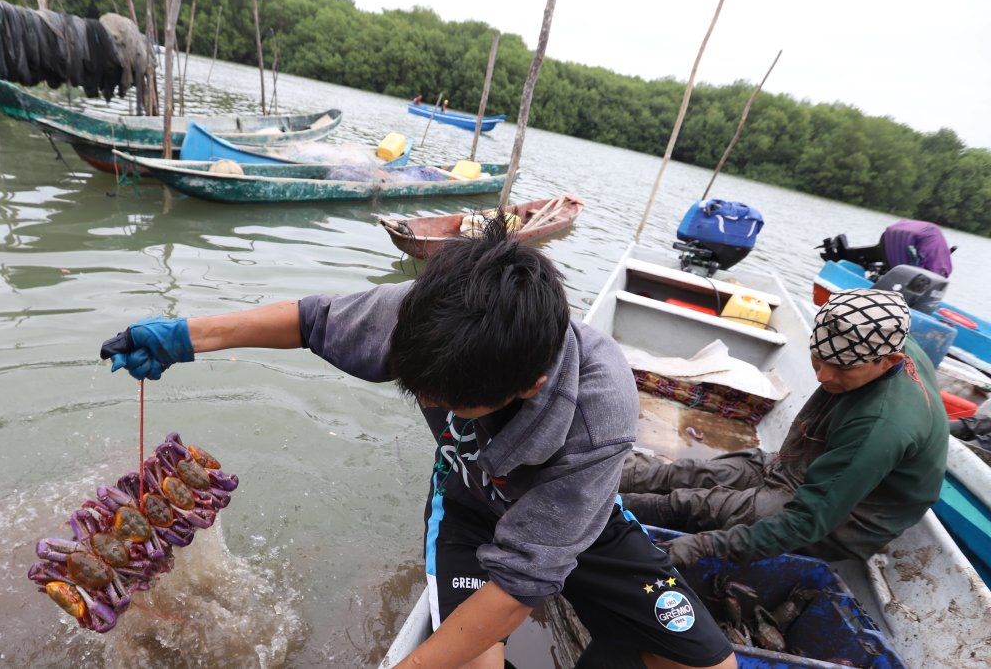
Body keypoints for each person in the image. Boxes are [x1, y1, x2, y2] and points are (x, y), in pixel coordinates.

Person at [100, 217, 736, 669]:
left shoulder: (598, 413)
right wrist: (184, 337)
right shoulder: (432, 313)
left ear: (531, 384)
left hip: (580, 521)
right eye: (418, 385)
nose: (429, 405)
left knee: (709, 667)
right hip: (468, 502)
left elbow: (520, 586)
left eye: (450, 399)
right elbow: (312, 321)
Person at [620, 289, 949, 568]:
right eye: (818, 360)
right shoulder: (884, 341)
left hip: (847, 519)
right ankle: (597, 473)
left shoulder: (880, 427)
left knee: (688, 504)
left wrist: (704, 546)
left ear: (890, 361)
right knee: (688, 473)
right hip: (804, 466)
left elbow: (806, 522)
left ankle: (608, 507)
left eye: (841, 369)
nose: (823, 378)